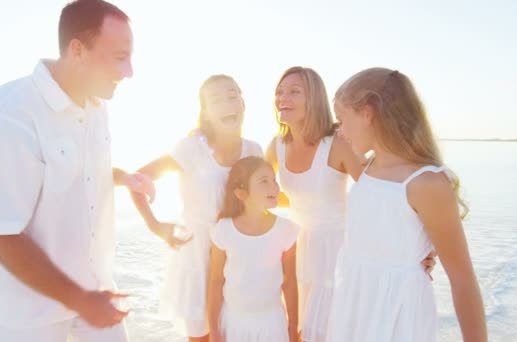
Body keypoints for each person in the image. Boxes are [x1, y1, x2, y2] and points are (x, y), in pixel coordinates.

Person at [0, 1, 146, 341]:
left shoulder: (96, 105)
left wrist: (124, 177)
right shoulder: (6, 116)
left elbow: (82, 173)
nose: (129, 71)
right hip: (23, 319)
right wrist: (81, 300)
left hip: (95, 296)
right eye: (119, 57)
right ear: (77, 50)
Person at [265, 66, 437, 341]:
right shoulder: (276, 145)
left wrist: (421, 244)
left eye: (294, 91)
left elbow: (380, 196)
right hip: (295, 250)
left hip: (338, 252)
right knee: (295, 330)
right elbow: (261, 193)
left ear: (315, 100)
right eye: (280, 92)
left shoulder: (337, 144)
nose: (283, 97)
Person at [327, 67, 487, 341]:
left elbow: (462, 278)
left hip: (397, 315)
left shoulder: (426, 183)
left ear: (368, 114)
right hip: (354, 305)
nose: (340, 131)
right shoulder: (369, 166)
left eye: (342, 119)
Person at [125, 75, 263, 341]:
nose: (227, 104)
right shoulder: (190, 148)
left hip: (239, 257)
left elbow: (266, 200)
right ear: (206, 113)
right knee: (201, 336)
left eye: (232, 96)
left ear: (243, 103)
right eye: (216, 100)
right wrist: (155, 225)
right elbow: (136, 180)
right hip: (198, 256)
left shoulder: (254, 150)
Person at [207, 156, 300, 342]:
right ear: (241, 193)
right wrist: (213, 330)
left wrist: (292, 329)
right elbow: (216, 281)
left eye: (274, 180)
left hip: (272, 324)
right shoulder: (224, 230)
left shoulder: (286, 229)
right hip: (234, 323)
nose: (274, 186)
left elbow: (290, 283)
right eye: (264, 181)